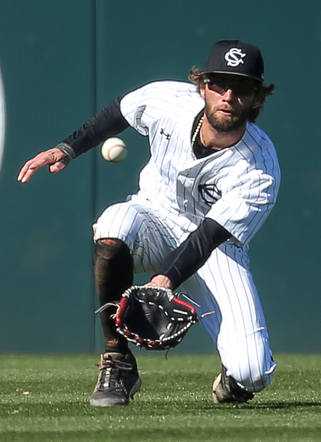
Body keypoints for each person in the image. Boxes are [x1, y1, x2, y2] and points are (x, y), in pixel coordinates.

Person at [18, 40, 280, 406]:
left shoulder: (259, 169)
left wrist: (163, 281)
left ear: (258, 97)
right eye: (219, 83)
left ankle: (232, 380)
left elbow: (205, 239)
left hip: (217, 250)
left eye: (244, 87)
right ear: (202, 85)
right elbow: (119, 112)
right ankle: (118, 361)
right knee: (113, 225)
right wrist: (67, 148)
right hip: (153, 218)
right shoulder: (169, 100)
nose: (229, 95)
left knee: (252, 372)